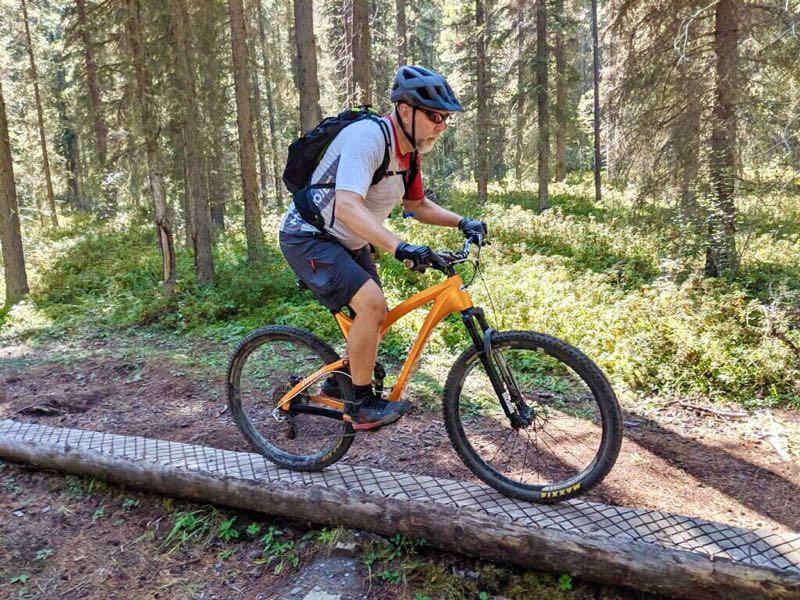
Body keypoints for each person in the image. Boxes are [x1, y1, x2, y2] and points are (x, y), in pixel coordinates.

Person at [279, 65, 487, 431]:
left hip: (348, 238)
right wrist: (400, 246)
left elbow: (417, 206)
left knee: (376, 316)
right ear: (405, 111)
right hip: (308, 235)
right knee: (372, 306)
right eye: (436, 116)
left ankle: (340, 380)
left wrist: (461, 222)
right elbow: (347, 205)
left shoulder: (409, 154)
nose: (441, 125)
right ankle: (359, 406)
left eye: (446, 119)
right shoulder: (368, 138)